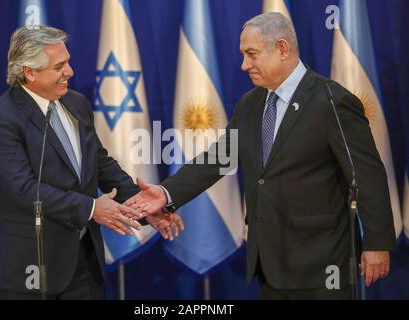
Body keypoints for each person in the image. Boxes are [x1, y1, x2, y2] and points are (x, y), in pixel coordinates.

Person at [126, 13, 396, 299]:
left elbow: (367, 174)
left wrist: (376, 243)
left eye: (251, 54)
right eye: (243, 55)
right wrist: (166, 193)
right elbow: (220, 159)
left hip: (323, 262)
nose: (244, 65)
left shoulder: (331, 100)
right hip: (269, 264)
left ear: (282, 48)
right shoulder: (250, 104)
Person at [0, 25, 182, 300]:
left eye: (68, 62)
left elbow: (100, 165)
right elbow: (23, 190)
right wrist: (91, 208)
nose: (70, 72)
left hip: (83, 261)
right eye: (59, 66)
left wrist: (144, 208)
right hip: (28, 265)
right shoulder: (1, 118)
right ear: (30, 72)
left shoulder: (77, 104)